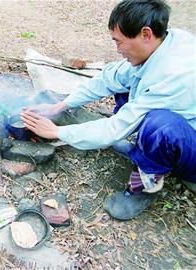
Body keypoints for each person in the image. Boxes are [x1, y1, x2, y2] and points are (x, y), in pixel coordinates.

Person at [20, 0, 196, 220]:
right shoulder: (162, 44)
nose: (118, 50)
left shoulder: (176, 76)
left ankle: (145, 187)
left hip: (191, 146)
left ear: (146, 34)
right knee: (126, 80)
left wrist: (57, 132)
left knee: (160, 126)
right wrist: (62, 104)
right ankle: (143, 151)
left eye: (119, 42)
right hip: (182, 124)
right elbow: (110, 78)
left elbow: (115, 127)